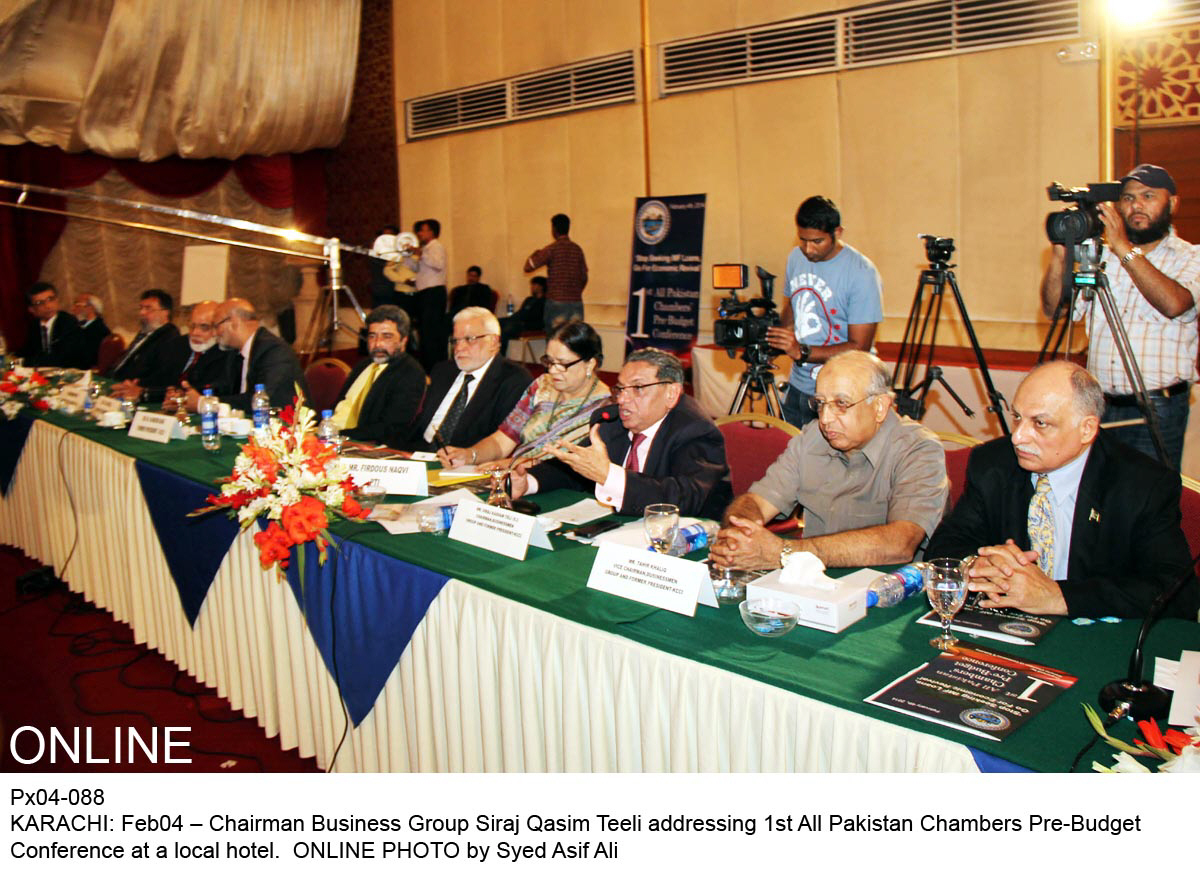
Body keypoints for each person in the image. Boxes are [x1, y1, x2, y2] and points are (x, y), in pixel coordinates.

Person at [925, 361, 1197, 619]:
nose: (1018, 437)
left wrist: (1059, 596)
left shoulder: (1141, 484)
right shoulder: (992, 464)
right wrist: (977, 565)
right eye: (1017, 417)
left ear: (1086, 429)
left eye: (1040, 423)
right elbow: (943, 546)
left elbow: (1177, 593)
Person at [710, 351, 948, 570]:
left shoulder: (918, 448)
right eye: (820, 403)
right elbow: (757, 502)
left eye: (841, 404)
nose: (825, 419)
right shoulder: (813, 437)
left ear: (879, 407)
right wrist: (738, 536)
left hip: (886, 592)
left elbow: (900, 543)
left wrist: (785, 553)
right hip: (815, 583)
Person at [1039, 163, 1200, 470]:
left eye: (1148, 196)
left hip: (1158, 406)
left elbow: (1175, 303)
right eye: (1127, 198)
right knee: (1100, 499)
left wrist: (1123, 247)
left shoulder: (1192, 256)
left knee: (1149, 500)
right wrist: (1062, 254)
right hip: (1100, 404)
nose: (1136, 205)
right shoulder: (1100, 258)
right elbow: (1057, 311)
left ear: (1173, 203)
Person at [511, 348, 732, 519]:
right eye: (621, 388)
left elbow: (685, 498)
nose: (623, 399)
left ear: (671, 393)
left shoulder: (694, 430)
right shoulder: (612, 420)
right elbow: (575, 470)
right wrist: (528, 481)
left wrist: (608, 475)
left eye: (638, 388)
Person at [765, 196, 883, 429]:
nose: (808, 249)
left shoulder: (861, 272)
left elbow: (859, 346)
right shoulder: (795, 257)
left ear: (837, 232)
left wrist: (802, 351)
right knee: (792, 456)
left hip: (843, 392)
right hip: (800, 386)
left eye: (817, 241)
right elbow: (793, 304)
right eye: (803, 240)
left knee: (837, 464)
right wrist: (777, 339)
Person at [440, 320, 611, 468]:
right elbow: (504, 439)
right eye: (549, 361)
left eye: (562, 364)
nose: (553, 370)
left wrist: (516, 464)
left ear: (590, 364)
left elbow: (580, 466)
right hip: (518, 478)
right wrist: (470, 455)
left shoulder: (605, 409)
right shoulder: (542, 386)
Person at [404, 306, 532, 452]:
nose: (459, 348)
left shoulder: (514, 380)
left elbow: (502, 440)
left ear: (493, 342)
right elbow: (418, 424)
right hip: (417, 452)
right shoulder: (443, 371)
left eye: (469, 339)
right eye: (455, 341)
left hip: (465, 462)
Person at [183, 297, 307, 414]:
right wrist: (187, 396)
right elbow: (225, 389)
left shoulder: (274, 351)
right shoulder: (235, 353)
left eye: (216, 326)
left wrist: (204, 403)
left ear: (234, 322)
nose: (215, 333)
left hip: (286, 428)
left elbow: (260, 401)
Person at [330, 305, 426, 446]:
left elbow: (389, 428)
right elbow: (339, 406)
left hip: (364, 445)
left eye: (387, 337)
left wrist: (339, 436)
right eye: (372, 336)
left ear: (403, 341)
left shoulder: (410, 372)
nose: (377, 344)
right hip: (331, 437)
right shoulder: (363, 365)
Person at [139, 300, 231, 404]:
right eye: (192, 326)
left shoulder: (226, 352)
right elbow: (158, 377)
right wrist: (138, 387)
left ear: (219, 328)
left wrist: (148, 393)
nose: (195, 333)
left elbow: (205, 389)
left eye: (204, 327)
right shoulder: (177, 345)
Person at [524, 213, 587, 332]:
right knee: (575, 341)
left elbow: (528, 267)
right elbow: (584, 277)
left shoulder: (551, 249)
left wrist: (534, 254)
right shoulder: (577, 249)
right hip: (576, 303)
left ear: (554, 229)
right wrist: (575, 292)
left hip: (556, 303)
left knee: (555, 341)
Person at [107, 289, 180, 391]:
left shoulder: (170, 337)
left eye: (148, 309)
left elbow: (159, 375)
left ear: (165, 313)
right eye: (141, 308)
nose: (142, 313)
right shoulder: (145, 333)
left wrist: (134, 386)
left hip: (135, 389)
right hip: (115, 381)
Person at [403, 218, 449, 369]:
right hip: (424, 293)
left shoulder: (436, 247)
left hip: (434, 293)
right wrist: (407, 255)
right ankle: (427, 365)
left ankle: (436, 365)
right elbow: (414, 268)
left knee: (433, 332)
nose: (419, 233)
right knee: (425, 331)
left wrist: (421, 253)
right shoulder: (425, 249)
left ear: (432, 232)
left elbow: (438, 264)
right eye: (419, 230)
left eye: (423, 230)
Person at [19, 282, 86, 368]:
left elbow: (60, 358)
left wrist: (25, 362)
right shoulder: (34, 325)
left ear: (57, 300)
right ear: (32, 310)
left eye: (50, 299)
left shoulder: (68, 322)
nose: (47, 306)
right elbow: (28, 352)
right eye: (40, 303)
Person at [499, 276, 547, 356]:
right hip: (519, 321)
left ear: (541, 287)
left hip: (531, 324)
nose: (531, 287)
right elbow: (520, 312)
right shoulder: (529, 299)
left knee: (508, 328)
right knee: (497, 322)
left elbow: (537, 317)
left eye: (534, 285)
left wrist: (517, 319)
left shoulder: (545, 301)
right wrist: (511, 318)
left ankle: (501, 356)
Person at [70, 293, 111, 369]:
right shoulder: (79, 328)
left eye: (77, 305)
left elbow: (87, 360)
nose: (73, 309)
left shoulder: (99, 331)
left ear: (90, 308)